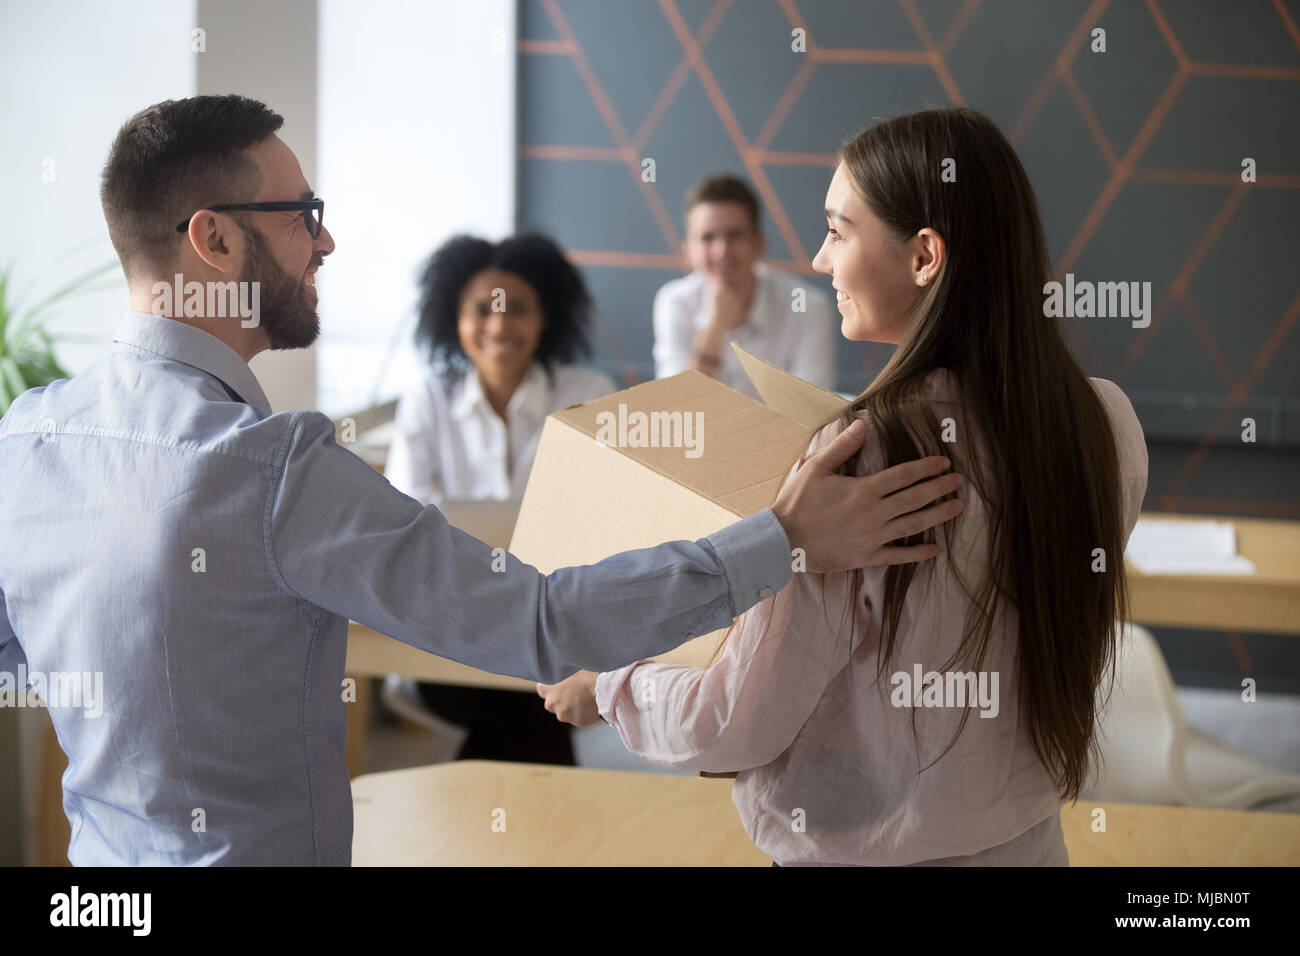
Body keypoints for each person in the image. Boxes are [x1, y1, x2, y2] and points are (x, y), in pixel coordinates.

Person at [0, 95, 965, 865]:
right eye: (303, 216)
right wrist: (785, 538)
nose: (325, 243)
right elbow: (538, 622)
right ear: (212, 241)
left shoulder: (26, 436)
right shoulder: (270, 469)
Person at [538, 106, 1149, 867]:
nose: (821, 261)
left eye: (838, 230)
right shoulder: (1107, 421)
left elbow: (737, 720)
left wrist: (606, 685)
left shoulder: (860, 457)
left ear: (925, 255)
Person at [384, 233, 618, 765]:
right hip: (454, 621)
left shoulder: (589, 392)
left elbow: (607, 519)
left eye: (518, 309)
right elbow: (405, 515)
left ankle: (495, 833)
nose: (498, 325)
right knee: (533, 711)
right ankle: (534, 837)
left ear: (546, 318)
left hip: (557, 616)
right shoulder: (429, 398)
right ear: (453, 317)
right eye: (480, 310)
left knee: (523, 700)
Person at [652, 173, 837, 398]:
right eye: (708, 238)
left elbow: (811, 410)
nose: (722, 251)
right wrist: (715, 330)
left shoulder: (809, 307)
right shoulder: (674, 301)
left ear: (759, 244)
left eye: (735, 235)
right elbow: (677, 407)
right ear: (688, 250)